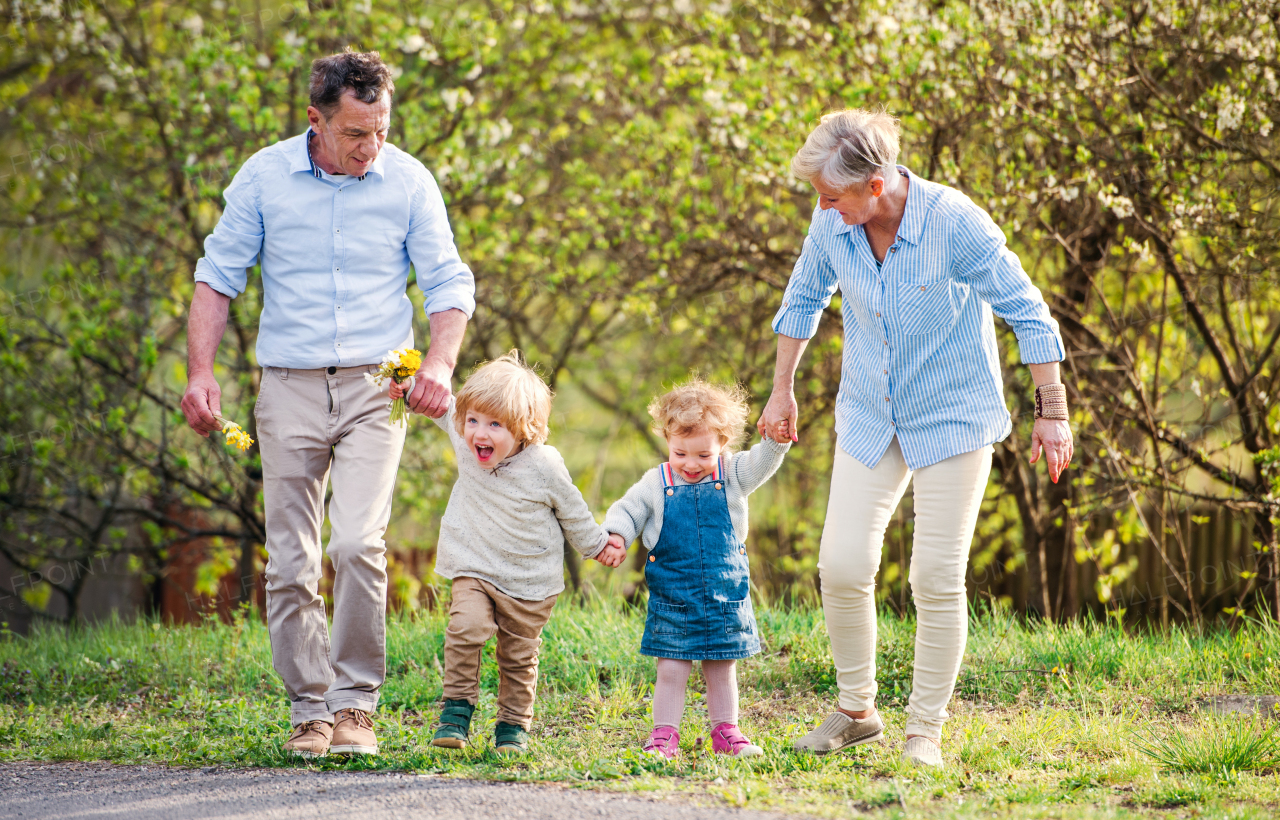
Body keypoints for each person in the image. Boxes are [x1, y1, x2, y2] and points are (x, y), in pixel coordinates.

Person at [180, 50, 475, 759]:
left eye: (380, 130)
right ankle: (309, 710)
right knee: (290, 560)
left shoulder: (408, 180)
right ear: (314, 120)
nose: (371, 148)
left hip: (379, 387)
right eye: (354, 134)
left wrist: (439, 362)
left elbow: (448, 282)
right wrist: (200, 372)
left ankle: (356, 707)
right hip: (288, 385)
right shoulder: (264, 178)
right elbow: (217, 278)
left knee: (357, 543)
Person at [761, 108, 1073, 767]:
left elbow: (1027, 308)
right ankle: (856, 711)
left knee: (935, 576)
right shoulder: (832, 225)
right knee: (842, 564)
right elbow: (802, 299)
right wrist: (781, 387)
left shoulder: (952, 221)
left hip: (953, 415)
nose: (821, 207)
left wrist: (1053, 409)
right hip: (872, 413)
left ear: (874, 186)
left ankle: (923, 733)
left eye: (831, 194)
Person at [388, 352, 624, 753]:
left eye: (495, 424)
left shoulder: (544, 465)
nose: (479, 432)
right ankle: (456, 713)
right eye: (474, 420)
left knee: (518, 655)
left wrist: (599, 545)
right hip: (474, 565)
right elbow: (440, 404)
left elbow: (573, 511)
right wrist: (409, 387)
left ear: (524, 429)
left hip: (529, 581)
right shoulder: (466, 438)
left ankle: (512, 727)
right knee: (465, 628)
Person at [603, 380, 792, 759]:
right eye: (680, 453)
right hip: (674, 599)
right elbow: (628, 509)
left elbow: (764, 461)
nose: (691, 464)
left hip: (724, 597)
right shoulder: (657, 482)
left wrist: (777, 437)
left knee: (721, 668)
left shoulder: (734, 473)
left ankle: (726, 732)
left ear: (723, 444)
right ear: (667, 440)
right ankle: (664, 736)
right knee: (671, 670)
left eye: (703, 455)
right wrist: (617, 536)